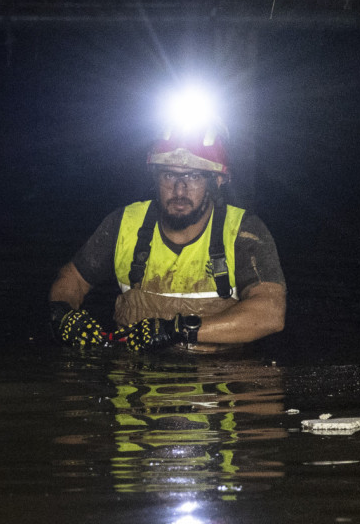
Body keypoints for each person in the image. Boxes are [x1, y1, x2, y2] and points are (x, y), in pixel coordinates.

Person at [47, 118, 285, 353]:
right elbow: (72, 280)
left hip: (219, 381)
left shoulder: (242, 232)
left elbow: (270, 313)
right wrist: (64, 314)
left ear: (217, 181)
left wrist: (178, 330)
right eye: (169, 175)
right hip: (135, 377)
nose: (179, 189)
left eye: (193, 176)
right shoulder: (124, 224)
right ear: (155, 176)